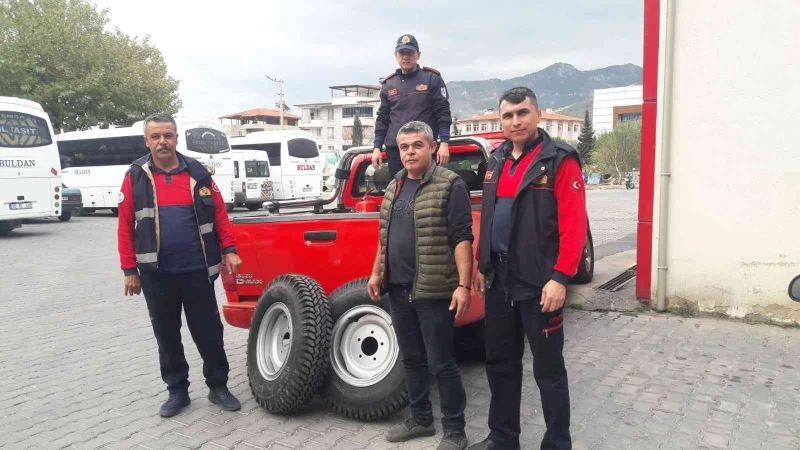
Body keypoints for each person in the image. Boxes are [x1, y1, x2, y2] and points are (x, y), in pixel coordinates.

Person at [471, 87, 588, 450]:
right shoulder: (496, 160)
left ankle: (557, 443)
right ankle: (503, 439)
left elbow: (573, 226)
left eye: (522, 113)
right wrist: (481, 263)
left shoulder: (559, 161)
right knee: (500, 365)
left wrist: (560, 278)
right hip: (499, 281)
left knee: (548, 370)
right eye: (508, 115)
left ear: (538, 114)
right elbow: (489, 216)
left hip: (539, 284)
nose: (515, 121)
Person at [117, 113, 242, 418]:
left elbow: (220, 214)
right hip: (156, 274)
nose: (163, 142)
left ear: (176, 138)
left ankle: (218, 387)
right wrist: (129, 270)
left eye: (168, 135)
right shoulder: (135, 176)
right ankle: (177, 392)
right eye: (156, 136)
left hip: (198, 271)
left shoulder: (198, 172)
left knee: (209, 333)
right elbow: (125, 224)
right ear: (147, 141)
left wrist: (229, 250)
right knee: (167, 335)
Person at [367, 121, 473, 450]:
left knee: (442, 362)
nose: (410, 152)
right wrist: (376, 273)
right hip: (398, 288)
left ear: (432, 147)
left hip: (433, 289)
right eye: (404, 147)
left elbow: (462, 237)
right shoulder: (395, 185)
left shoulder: (450, 184)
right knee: (411, 359)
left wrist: (464, 285)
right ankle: (421, 419)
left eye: (417, 145)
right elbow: (384, 236)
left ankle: (455, 431)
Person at [372, 34, 453, 178]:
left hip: (423, 148)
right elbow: (382, 119)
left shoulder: (432, 78)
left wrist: (445, 143)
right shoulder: (388, 84)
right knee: (399, 189)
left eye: (409, 52)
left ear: (418, 55)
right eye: (402, 53)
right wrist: (376, 147)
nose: (405, 57)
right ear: (396, 56)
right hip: (396, 151)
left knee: (427, 188)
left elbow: (443, 113)